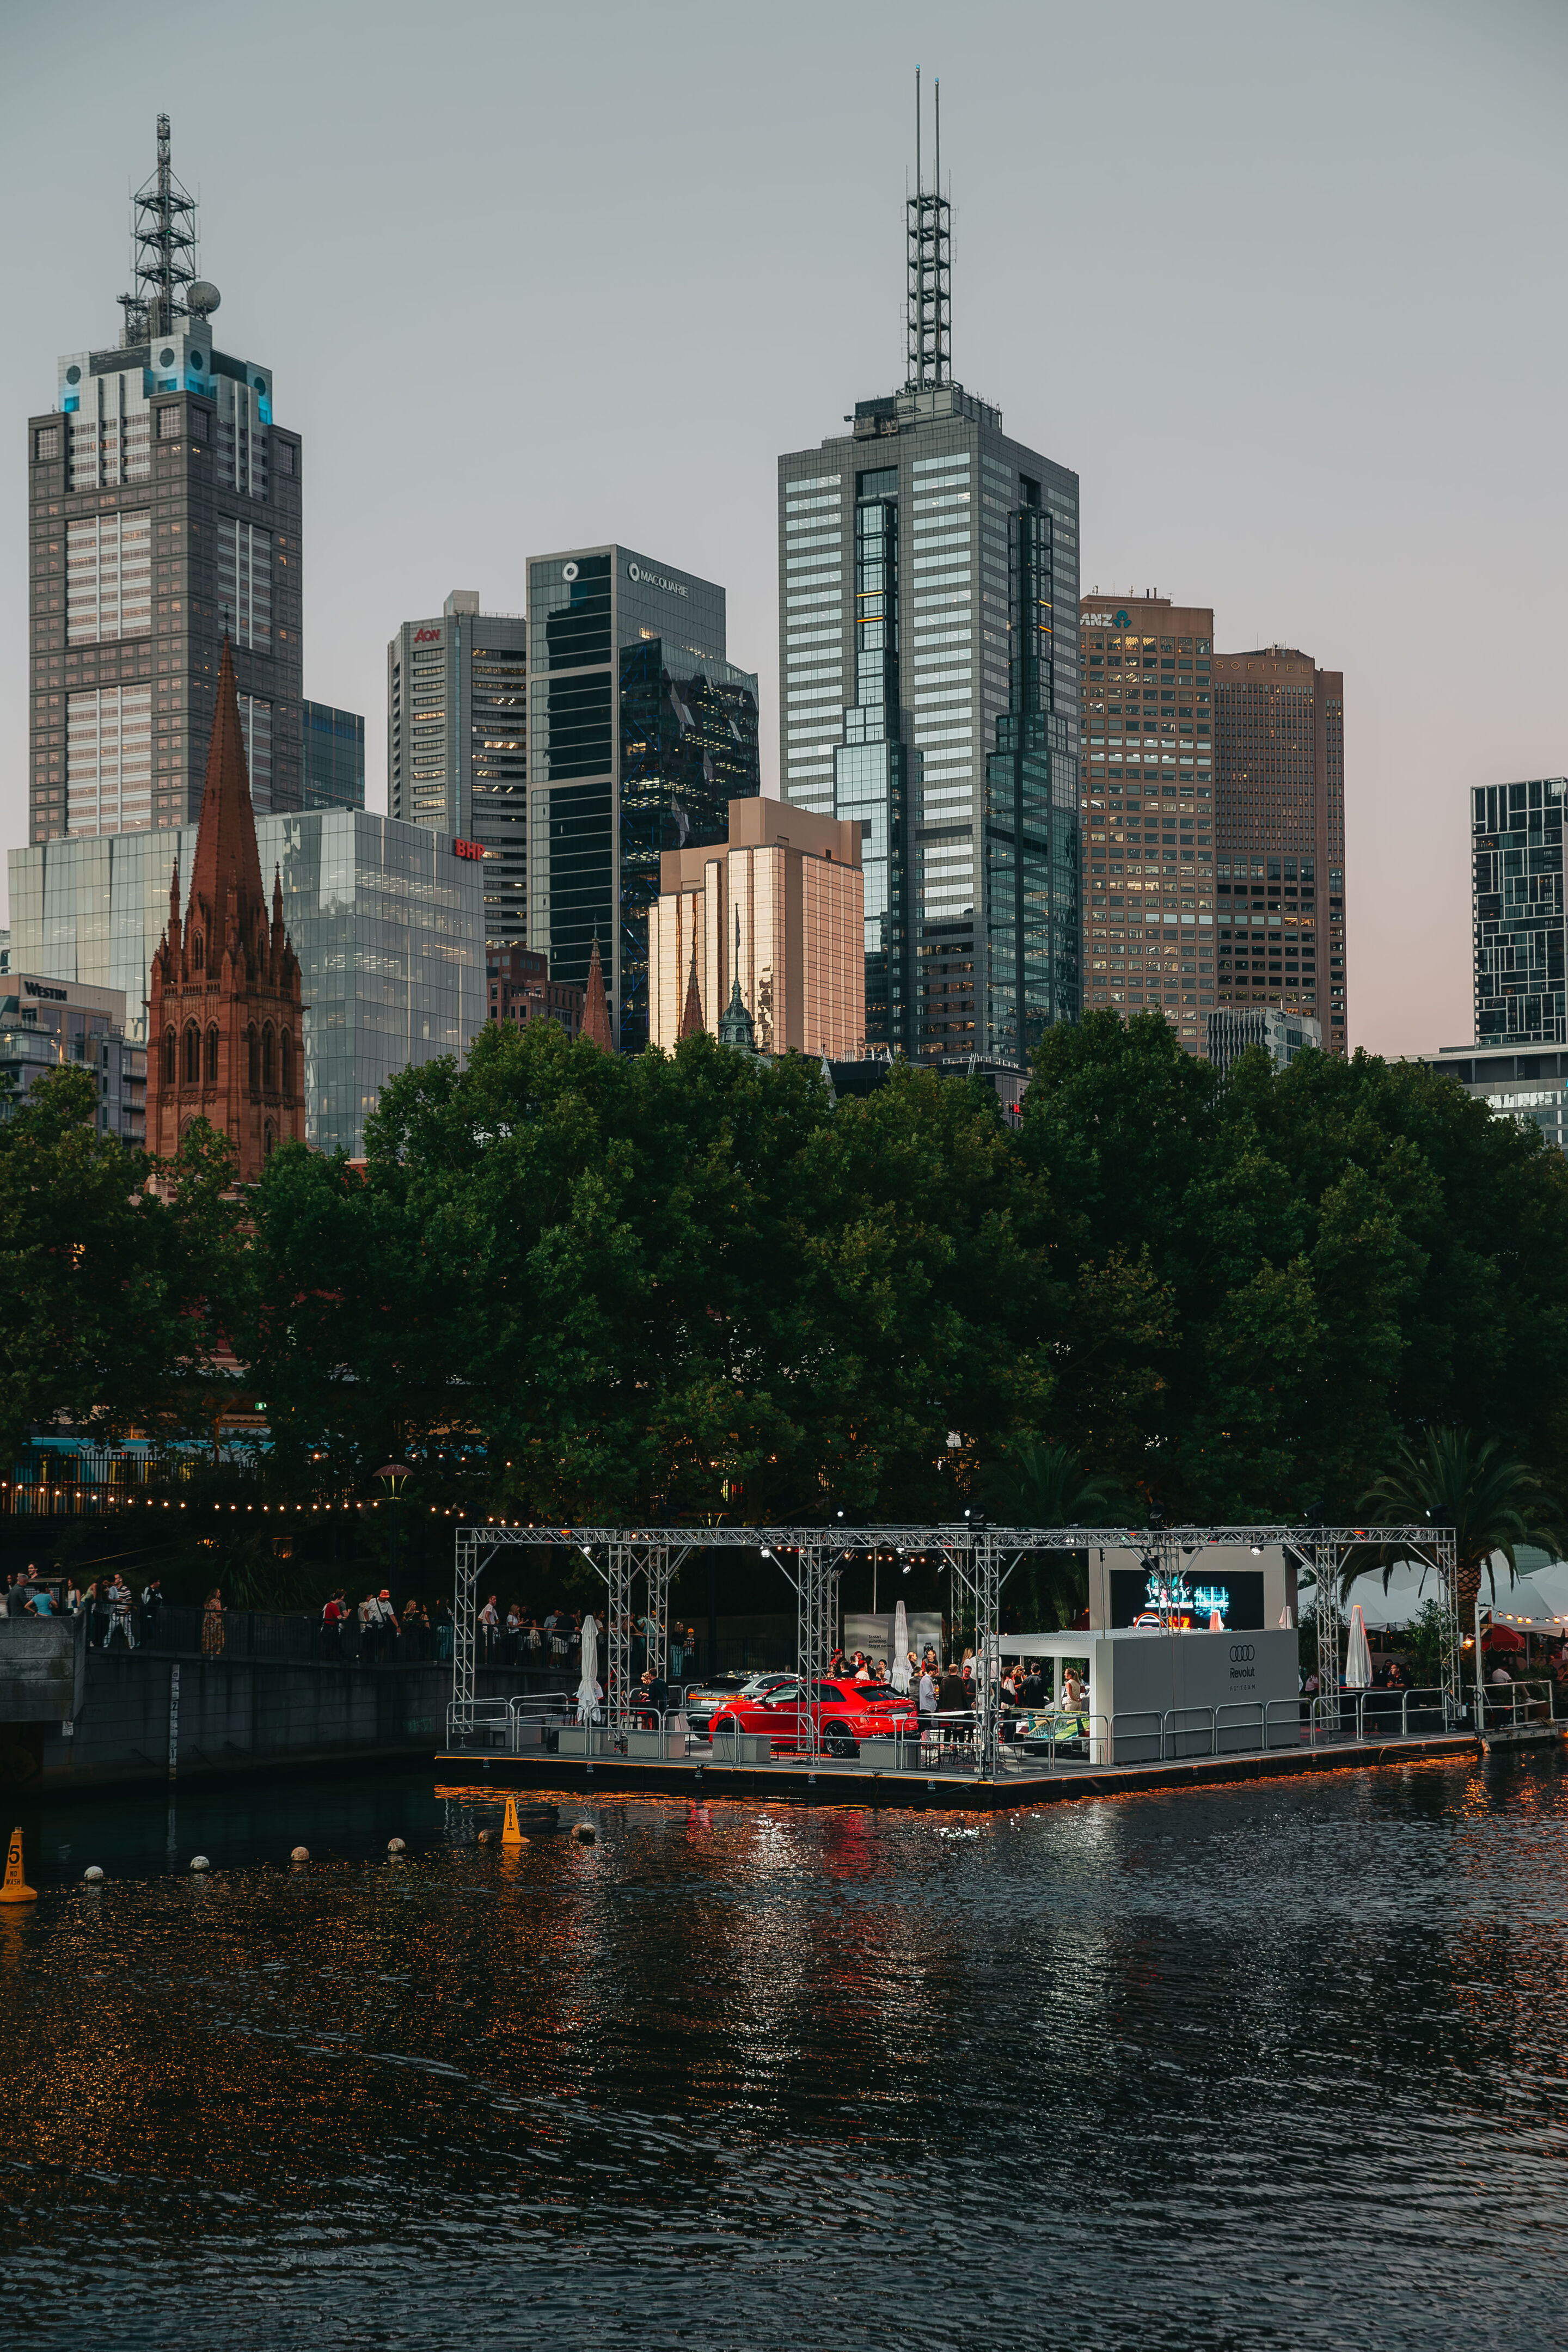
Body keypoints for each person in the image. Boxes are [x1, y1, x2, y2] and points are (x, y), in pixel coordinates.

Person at [202, 1587, 225, 1656]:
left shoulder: (208, 1602)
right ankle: (216, 1654)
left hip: (207, 1622)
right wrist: (223, 1611)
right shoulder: (217, 1601)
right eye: (219, 1593)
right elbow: (218, 1612)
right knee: (217, 1638)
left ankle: (207, 1653)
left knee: (208, 1638)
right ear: (216, 1594)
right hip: (215, 1622)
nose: (220, 1594)